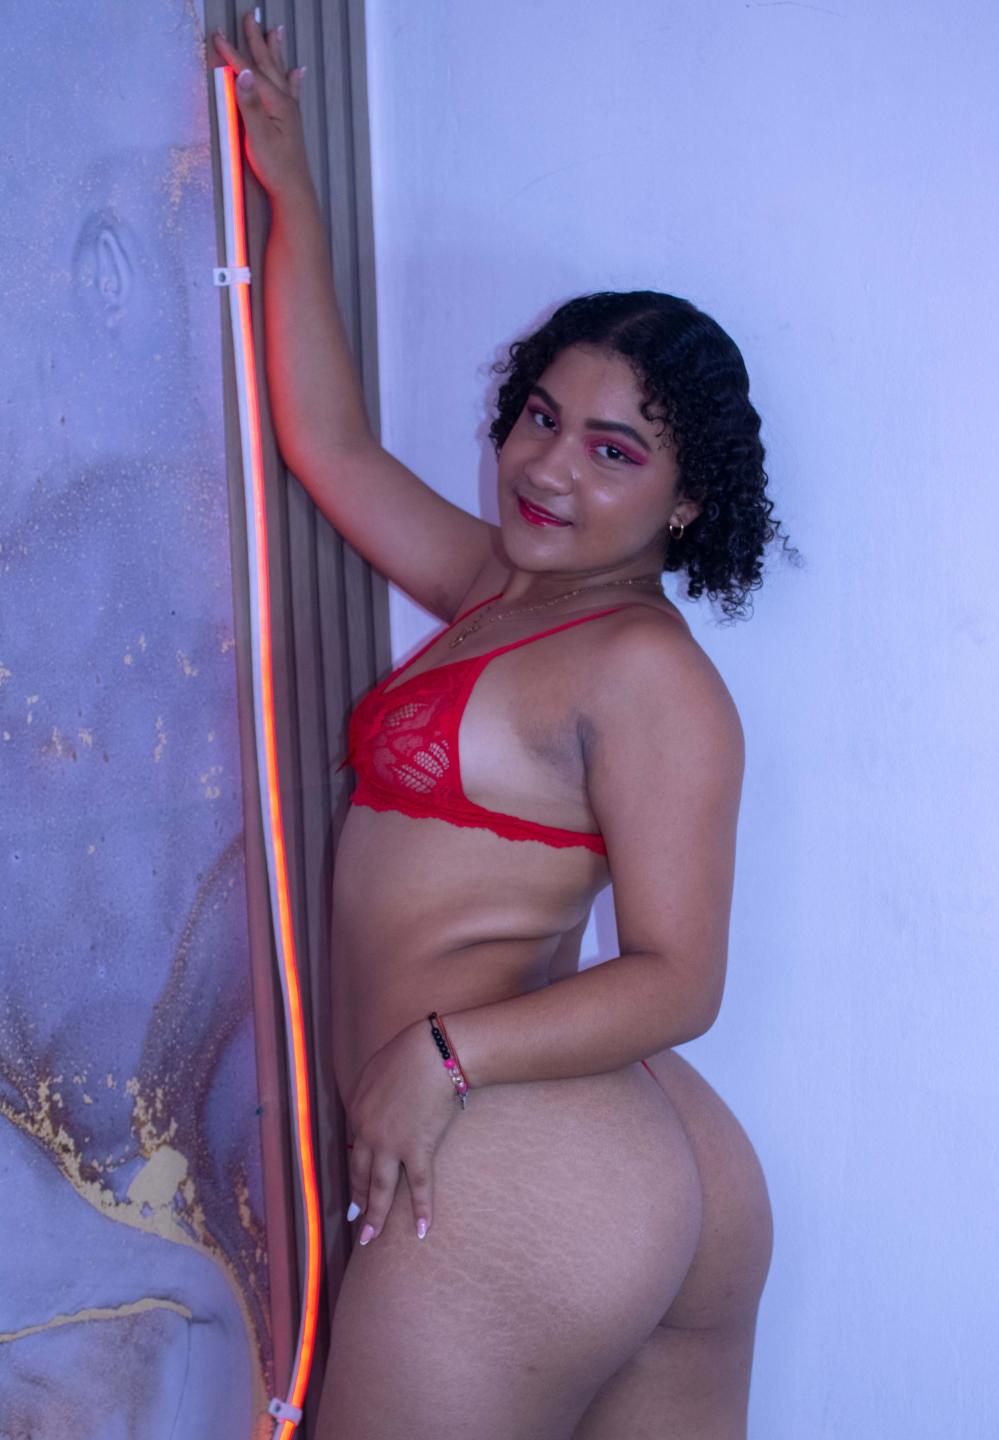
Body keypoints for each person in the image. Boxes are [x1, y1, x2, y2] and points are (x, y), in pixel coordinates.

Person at [213, 15, 793, 1437]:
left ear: (687, 501)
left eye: (614, 450)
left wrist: (442, 1057)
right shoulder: (500, 592)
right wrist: (292, 192)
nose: (549, 467)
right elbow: (330, 447)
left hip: (519, 1137)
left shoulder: (645, 671)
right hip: (580, 1142)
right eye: (541, 417)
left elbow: (681, 977)